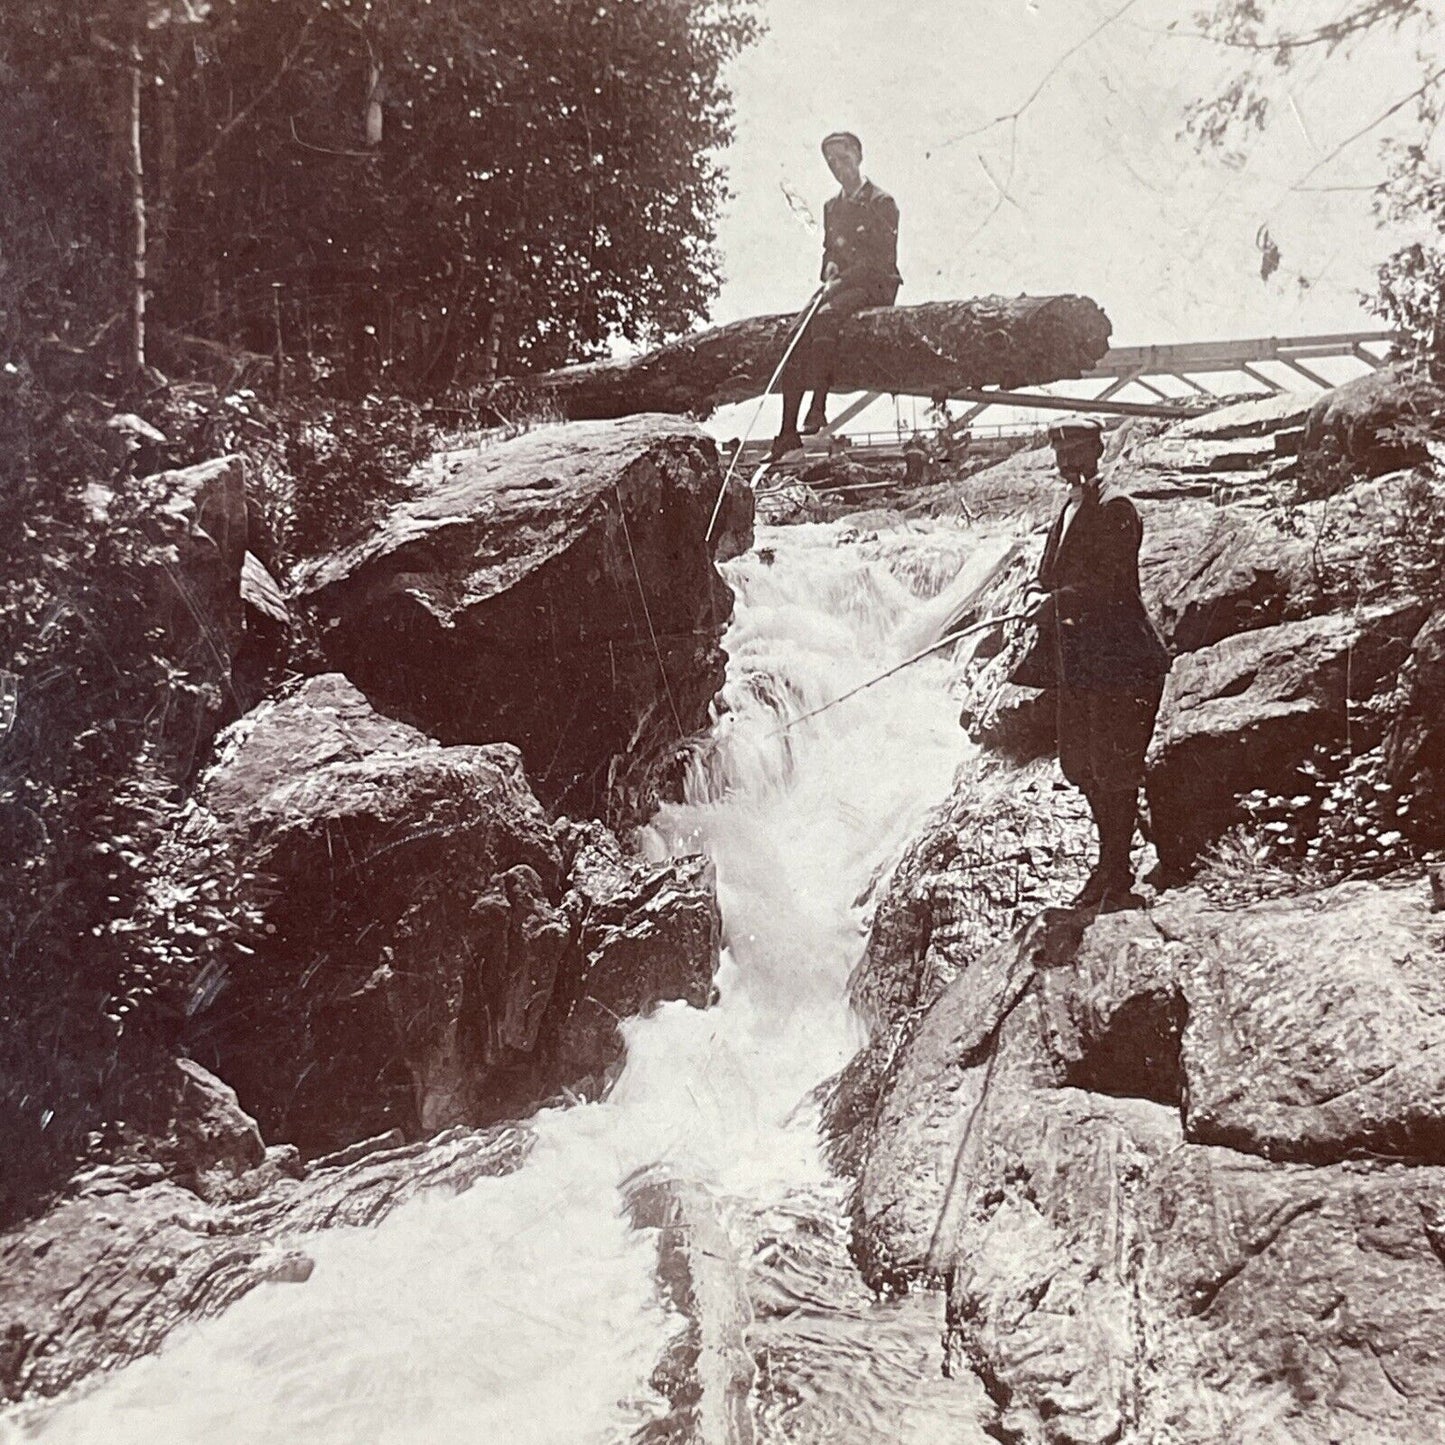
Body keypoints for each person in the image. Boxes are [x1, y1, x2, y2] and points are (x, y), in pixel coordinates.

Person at [1014, 415, 1170, 907]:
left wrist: (1056, 603)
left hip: (1122, 660)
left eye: (1077, 455)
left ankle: (1116, 873)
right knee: (1080, 764)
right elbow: (1048, 573)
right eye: (1061, 457)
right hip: (1079, 662)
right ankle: (1108, 864)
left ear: (1097, 452)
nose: (1068, 465)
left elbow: (1112, 588)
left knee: (1114, 768)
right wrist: (1034, 593)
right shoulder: (1067, 510)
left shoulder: (1117, 508)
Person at [771, 131, 901, 461]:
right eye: (831, 163)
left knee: (827, 317)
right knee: (795, 333)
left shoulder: (881, 202)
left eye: (843, 159)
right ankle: (786, 433)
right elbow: (830, 249)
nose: (838, 168)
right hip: (843, 285)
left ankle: (818, 406)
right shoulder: (831, 207)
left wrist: (839, 282)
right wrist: (829, 266)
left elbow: (879, 262)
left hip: (876, 286)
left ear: (858, 155)